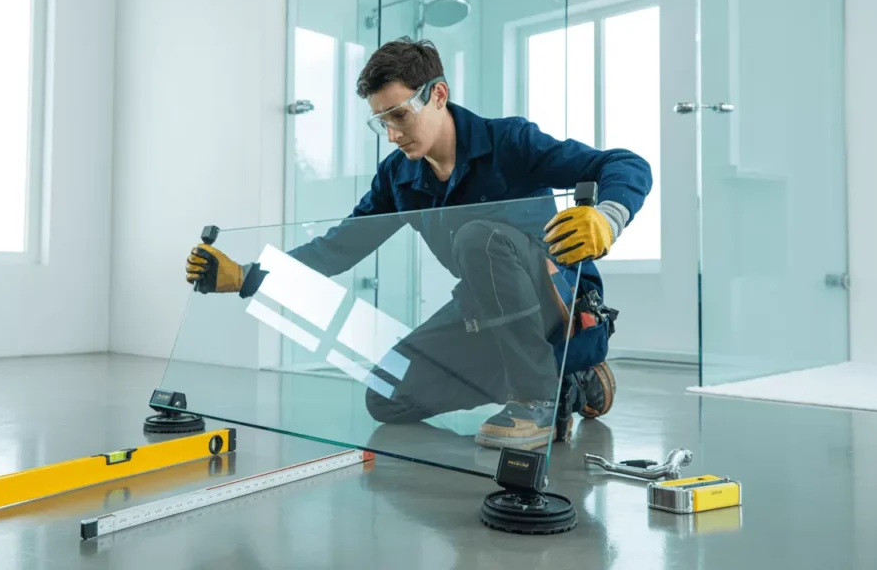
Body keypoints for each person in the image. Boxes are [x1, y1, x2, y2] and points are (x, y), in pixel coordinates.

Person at [184, 37, 652, 451]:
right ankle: (569, 381)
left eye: (399, 115)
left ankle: (538, 399)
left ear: (438, 96)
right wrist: (247, 277)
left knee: (477, 237)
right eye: (380, 121)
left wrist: (607, 217)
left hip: (557, 304)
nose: (392, 133)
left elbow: (626, 163)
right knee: (387, 394)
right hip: (484, 311)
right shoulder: (399, 177)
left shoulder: (509, 141)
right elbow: (339, 247)